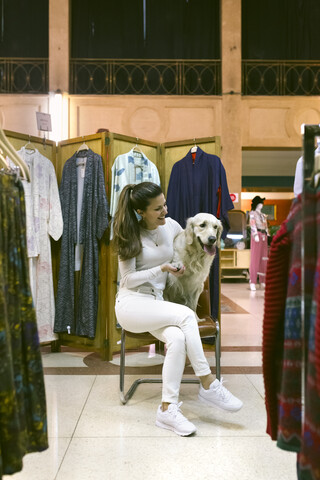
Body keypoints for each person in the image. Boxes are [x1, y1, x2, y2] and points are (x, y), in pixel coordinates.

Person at [113, 181, 243, 437]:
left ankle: (167, 409)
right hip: (131, 304)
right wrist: (160, 269)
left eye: (165, 205)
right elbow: (126, 280)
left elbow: (185, 250)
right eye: (158, 208)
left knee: (177, 337)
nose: (165, 211)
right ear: (141, 211)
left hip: (156, 302)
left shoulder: (171, 226)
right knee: (185, 314)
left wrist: (179, 268)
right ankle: (208, 383)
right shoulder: (128, 235)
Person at [249, 196, 269, 291]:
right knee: (255, 259)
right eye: (260, 202)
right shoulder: (252, 213)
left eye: (262, 203)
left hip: (264, 236)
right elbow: (252, 224)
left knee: (263, 259)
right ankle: (252, 281)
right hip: (257, 235)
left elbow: (265, 226)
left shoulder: (263, 215)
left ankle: (262, 281)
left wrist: (267, 233)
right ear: (256, 203)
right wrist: (255, 234)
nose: (261, 205)